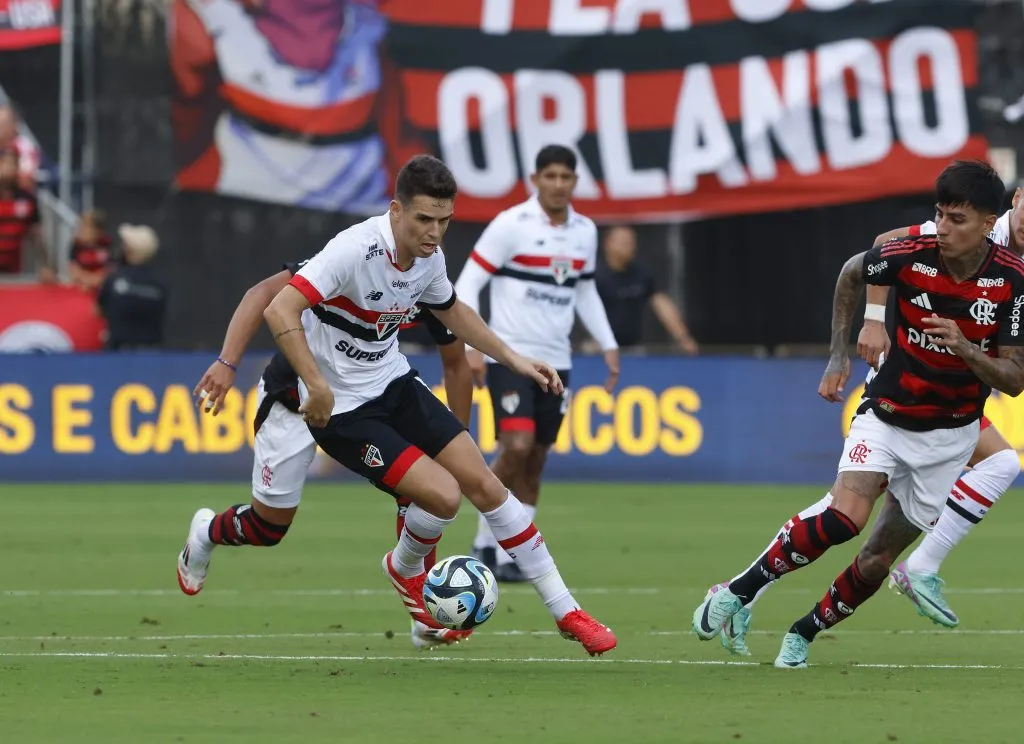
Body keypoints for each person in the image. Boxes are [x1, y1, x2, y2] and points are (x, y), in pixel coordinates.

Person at [253, 154, 615, 655]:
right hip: (343, 410)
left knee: (485, 484)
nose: (435, 232)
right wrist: (316, 384)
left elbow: (453, 312)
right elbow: (278, 307)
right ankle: (404, 569)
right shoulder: (354, 250)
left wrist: (514, 358)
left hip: (393, 382)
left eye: (444, 221)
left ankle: (567, 610)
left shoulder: (429, 257)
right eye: (425, 219)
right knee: (443, 497)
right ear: (396, 209)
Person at [692, 160, 1024, 668]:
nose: (943, 227)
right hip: (887, 414)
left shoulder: (1011, 281)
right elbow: (856, 269)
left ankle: (804, 631)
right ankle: (740, 589)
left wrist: (966, 350)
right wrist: (848, 344)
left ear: (986, 223)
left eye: (957, 219)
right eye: (940, 214)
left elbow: (1015, 379)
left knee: (876, 560)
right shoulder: (913, 251)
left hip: (952, 436)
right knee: (845, 516)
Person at [178, 258, 474, 649]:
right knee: (268, 528)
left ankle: (425, 611)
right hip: (293, 401)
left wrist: (455, 439)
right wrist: (227, 362)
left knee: (425, 489)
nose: (427, 242)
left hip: (363, 403)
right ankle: (207, 532)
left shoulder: (429, 287)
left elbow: (457, 365)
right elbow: (261, 295)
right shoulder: (350, 259)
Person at [454, 145, 620, 582]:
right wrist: (472, 346)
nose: (559, 185)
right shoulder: (511, 224)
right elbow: (468, 281)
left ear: (575, 183)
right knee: (517, 445)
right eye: (551, 176)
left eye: (566, 177)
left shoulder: (584, 231)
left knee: (537, 458)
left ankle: (512, 556)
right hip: (510, 353)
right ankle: (482, 542)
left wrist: (608, 343)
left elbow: (585, 292)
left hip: (557, 360)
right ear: (535, 179)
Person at [595, 225, 698, 354]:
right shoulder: (593, 276)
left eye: (631, 242)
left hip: (632, 348)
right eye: (622, 242)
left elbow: (662, 304)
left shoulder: (642, 274)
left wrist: (683, 338)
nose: (628, 246)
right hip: (597, 349)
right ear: (608, 244)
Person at [97, 224, 166, 349]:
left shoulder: (114, 279)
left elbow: (98, 309)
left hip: (118, 353)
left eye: (125, 244)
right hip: (152, 352)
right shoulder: (160, 283)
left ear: (130, 249)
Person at [0, 148, 50, 278]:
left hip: (13, 270)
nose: (8, 168)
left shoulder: (27, 199)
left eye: (13, 164)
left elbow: (36, 235)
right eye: (4, 163)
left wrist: (45, 266)